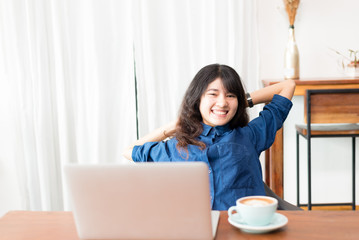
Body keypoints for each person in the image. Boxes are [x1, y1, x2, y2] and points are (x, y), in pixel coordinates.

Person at [123, 63, 296, 210]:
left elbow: (287, 86)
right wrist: (174, 126)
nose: (222, 102)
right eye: (213, 94)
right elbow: (129, 151)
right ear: (197, 99)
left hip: (246, 231)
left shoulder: (250, 135)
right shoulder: (177, 147)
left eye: (230, 95)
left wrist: (241, 101)